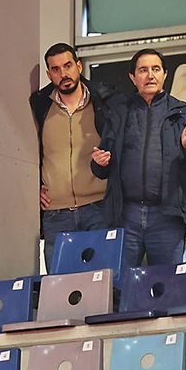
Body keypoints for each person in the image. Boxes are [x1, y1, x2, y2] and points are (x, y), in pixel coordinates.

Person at [91, 49, 186, 268]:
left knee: (168, 284)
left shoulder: (182, 112)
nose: (150, 75)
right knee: (121, 288)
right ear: (133, 77)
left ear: (165, 74)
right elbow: (102, 164)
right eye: (143, 70)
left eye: (156, 69)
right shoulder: (119, 113)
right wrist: (99, 163)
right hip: (126, 216)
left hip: (167, 215)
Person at [30, 43, 113, 242]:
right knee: (59, 275)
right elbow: (26, 153)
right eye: (56, 69)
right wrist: (33, 186)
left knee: (102, 274)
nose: (63, 74)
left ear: (79, 66)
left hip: (98, 209)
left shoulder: (103, 103)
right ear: (49, 75)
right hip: (55, 214)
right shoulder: (40, 106)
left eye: (68, 66)